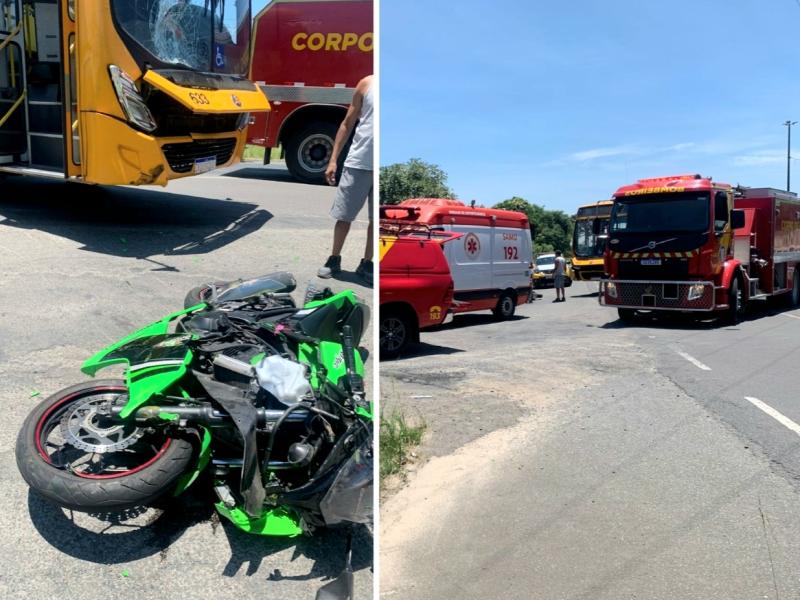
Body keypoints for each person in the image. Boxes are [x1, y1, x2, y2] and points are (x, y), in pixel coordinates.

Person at [317, 75, 374, 283]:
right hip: (358, 161)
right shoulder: (367, 83)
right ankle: (334, 258)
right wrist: (333, 160)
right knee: (344, 217)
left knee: (375, 221)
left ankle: (367, 263)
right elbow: (347, 123)